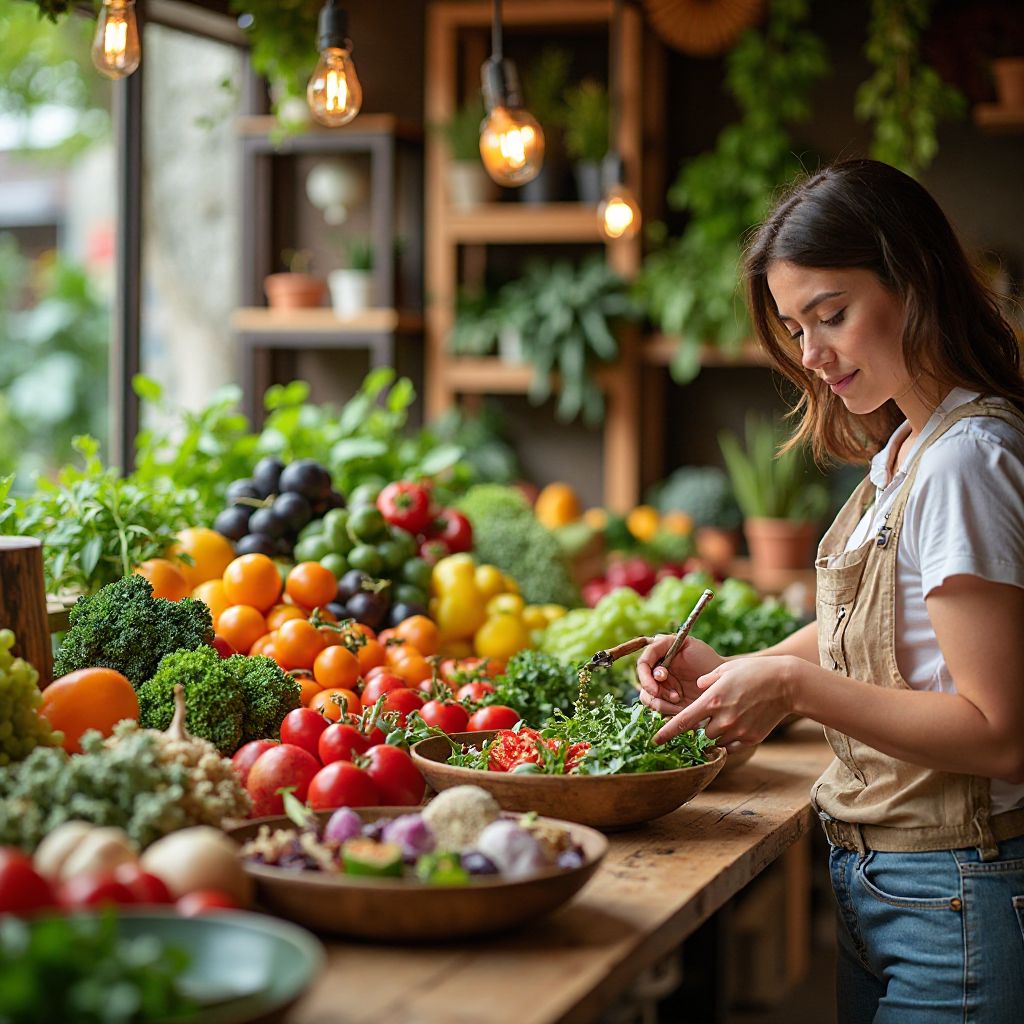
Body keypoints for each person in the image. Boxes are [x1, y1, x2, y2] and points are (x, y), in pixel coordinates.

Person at [636, 159, 1024, 1024]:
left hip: (956, 889)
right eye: (794, 326)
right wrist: (741, 667)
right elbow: (887, 626)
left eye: (832, 314)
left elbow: (1000, 734)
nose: (811, 355)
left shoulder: (966, 460)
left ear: (914, 281)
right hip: (888, 884)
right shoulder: (903, 454)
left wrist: (793, 688)